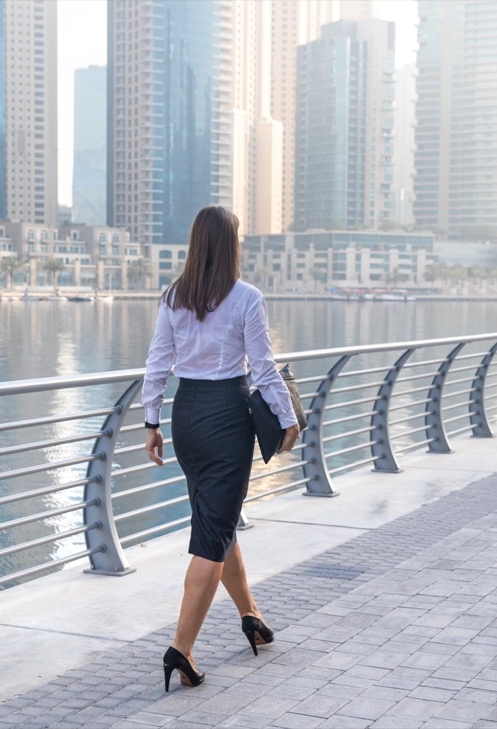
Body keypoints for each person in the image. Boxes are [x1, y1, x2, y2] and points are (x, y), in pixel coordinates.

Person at [142, 205, 302, 692]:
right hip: (228, 418)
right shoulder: (247, 297)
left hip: (186, 414)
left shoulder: (173, 296)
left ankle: (250, 615)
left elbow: (156, 364)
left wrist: (151, 420)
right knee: (211, 536)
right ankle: (182, 649)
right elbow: (264, 366)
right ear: (231, 246)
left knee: (216, 521)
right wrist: (289, 418)